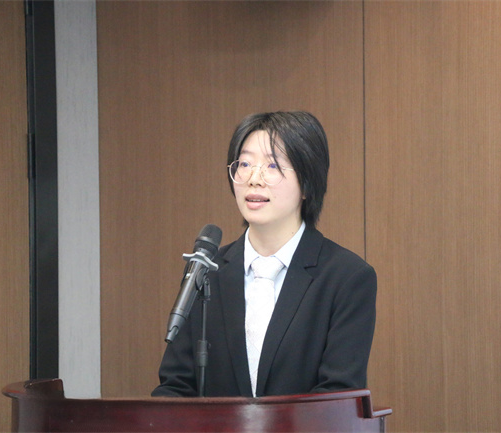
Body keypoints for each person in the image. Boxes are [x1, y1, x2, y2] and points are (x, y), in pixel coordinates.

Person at [152, 111, 377, 397]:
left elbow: (338, 395)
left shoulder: (346, 277)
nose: (254, 179)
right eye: (245, 164)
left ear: (307, 182)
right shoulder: (207, 271)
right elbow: (175, 387)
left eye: (272, 165)